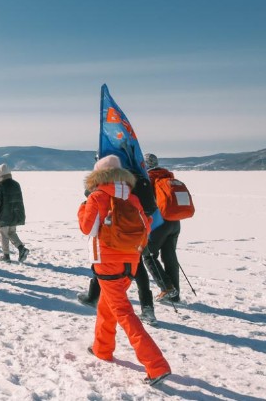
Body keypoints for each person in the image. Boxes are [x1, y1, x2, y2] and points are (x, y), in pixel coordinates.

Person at [78, 155, 171, 386]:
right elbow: (147, 226)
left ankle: (156, 364)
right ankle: (102, 348)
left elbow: (87, 228)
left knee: (122, 311)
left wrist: (83, 207)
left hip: (107, 262)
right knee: (107, 305)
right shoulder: (133, 197)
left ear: (98, 175)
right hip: (131, 261)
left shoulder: (97, 196)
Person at [143, 153, 183, 303]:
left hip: (159, 223)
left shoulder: (148, 179)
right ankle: (175, 295)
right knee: (170, 257)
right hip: (175, 222)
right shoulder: (168, 176)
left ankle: (167, 288)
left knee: (148, 255)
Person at [0, 163, 30, 263]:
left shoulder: (0, 185)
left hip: (4, 216)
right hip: (15, 214)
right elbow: (20, 201)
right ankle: (21, 248)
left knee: (4, 234)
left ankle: (6, 256)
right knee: (11, 232)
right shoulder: (16, 184)